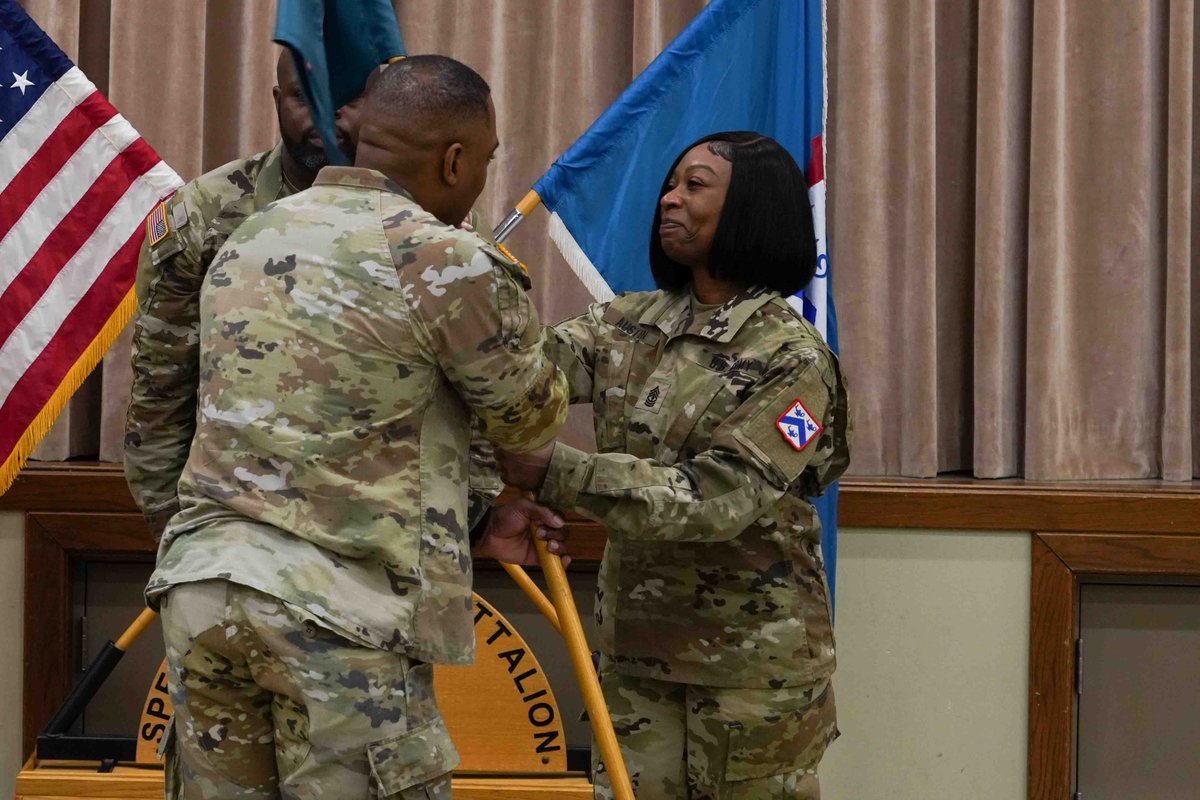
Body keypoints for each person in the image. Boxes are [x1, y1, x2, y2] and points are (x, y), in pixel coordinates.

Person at [146, 55, 570, 798]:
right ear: (454, 159)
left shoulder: (250, 233)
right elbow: (529, 415)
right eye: (485, 162)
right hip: (336, 613)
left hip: (203, 592)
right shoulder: (445, 258)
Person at [497, 131, 852, 800]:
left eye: (695, 186)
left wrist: (557, 471)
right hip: (635, 657)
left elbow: (719, 499)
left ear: (751, 209)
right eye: (671, 183)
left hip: (749, 673)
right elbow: (516, 386)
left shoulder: (791, 356)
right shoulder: (627, 324)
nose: (669, 199)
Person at [124, 51, 366, 538]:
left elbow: (472, 371)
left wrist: (475, 509)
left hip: (382, 521)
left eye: (346, 99)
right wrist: (173, 526)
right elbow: (162, 384)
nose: (324, 114)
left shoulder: (426, 219)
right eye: (304, 97)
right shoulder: (207, 213)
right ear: (278, 101)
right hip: (241, 523)